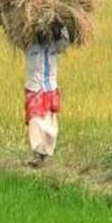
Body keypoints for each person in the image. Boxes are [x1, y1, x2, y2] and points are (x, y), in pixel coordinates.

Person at [24, 21, 68, 168]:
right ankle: (37, 152)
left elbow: (65, 43)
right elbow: (15, 33)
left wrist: (60, 30)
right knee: (35, 119)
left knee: (49, 121)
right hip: (35, 88)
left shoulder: (54, 46)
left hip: (50, 88)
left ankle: (45, 153)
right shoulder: (29, 45)